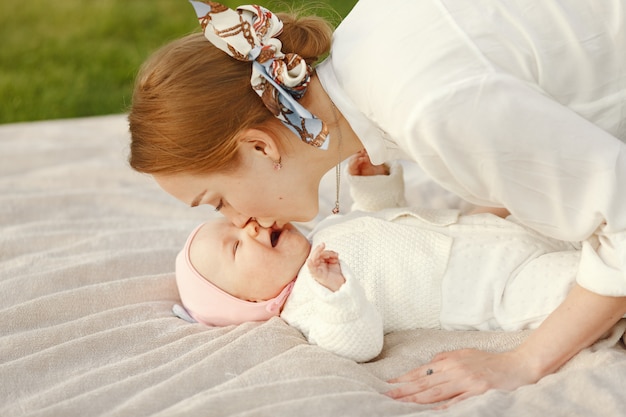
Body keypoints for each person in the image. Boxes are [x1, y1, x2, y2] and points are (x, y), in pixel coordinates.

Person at [128, 0, 626, 407]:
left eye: (218, 201)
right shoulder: (369, 44)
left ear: (261, 146)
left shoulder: (428, 109)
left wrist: (522, 362)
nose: (240, 221)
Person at [175, 156, 584, 366]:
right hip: (489, 288)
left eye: (237, 223)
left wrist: (372, 183)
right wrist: (338, 294)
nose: (247, 227)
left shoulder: (321, 236)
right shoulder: (310, 304)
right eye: (235, 247)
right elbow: (360, 344)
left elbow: (380, 219)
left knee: (567, 219)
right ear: (251, 302)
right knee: (571, 284)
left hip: (483, 234)